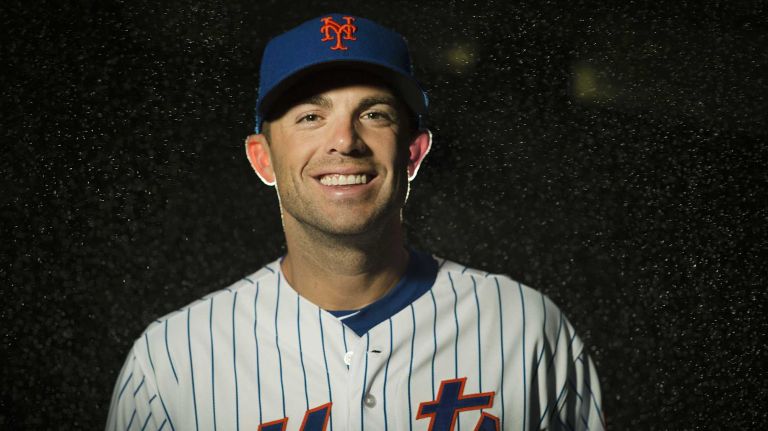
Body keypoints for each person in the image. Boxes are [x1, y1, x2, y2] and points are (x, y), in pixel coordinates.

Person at [106, 13, 604, 431]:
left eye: (374, 114)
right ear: (263, 159)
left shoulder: (525, 326)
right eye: (310, 117)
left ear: (413, 153)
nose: (345, 141)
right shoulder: (171, 360)